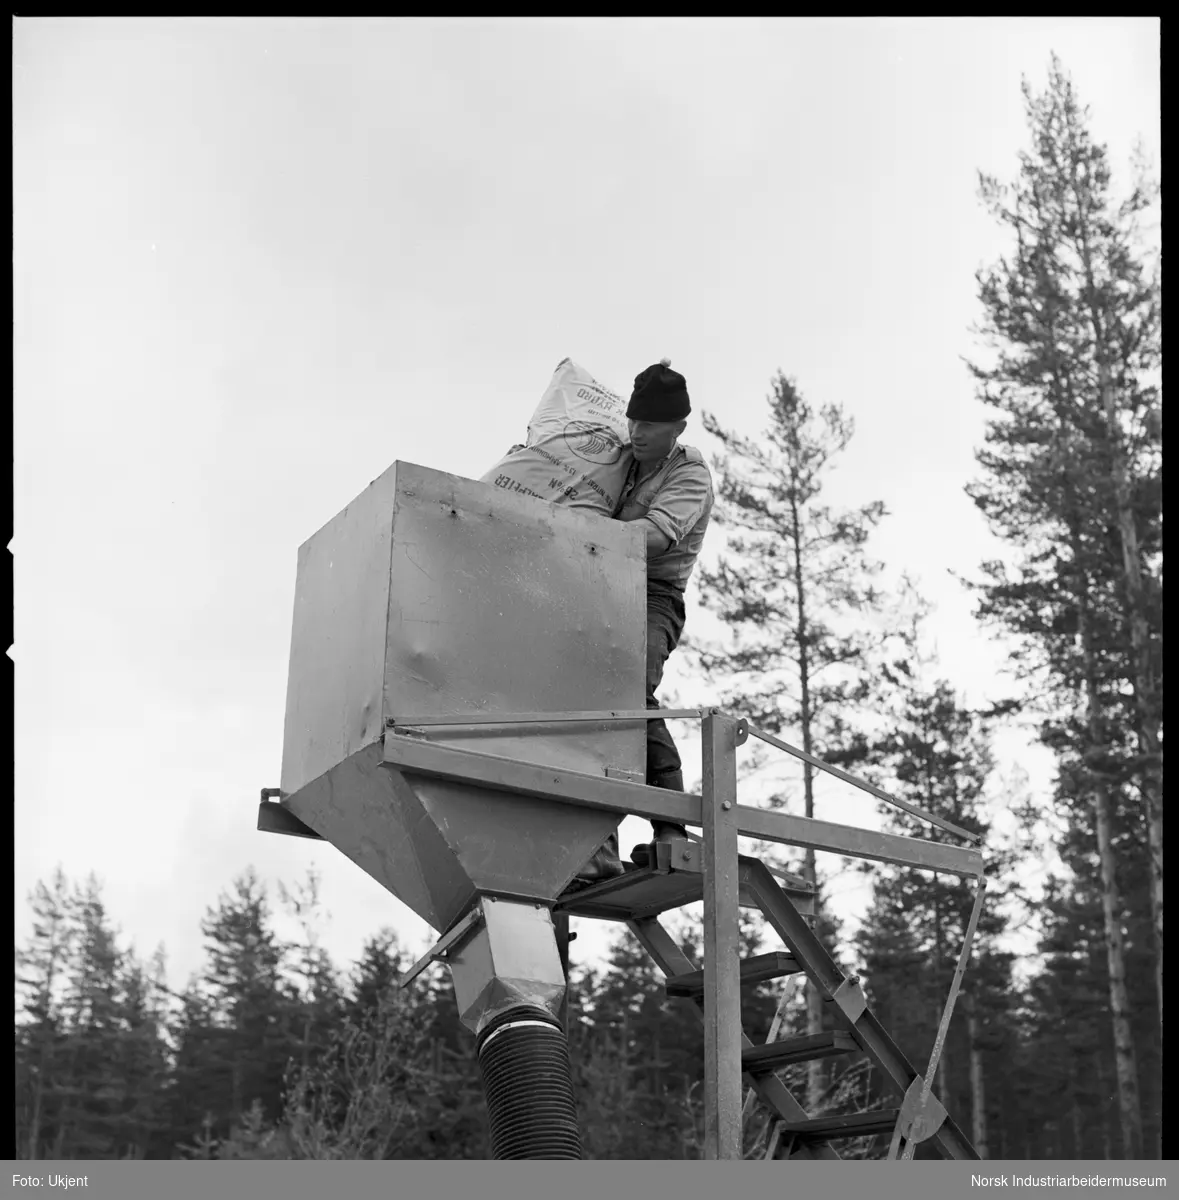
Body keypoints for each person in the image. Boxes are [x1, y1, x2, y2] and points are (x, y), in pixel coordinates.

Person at [575, 358, 714, 881]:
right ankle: (594, 845)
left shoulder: (689, 474)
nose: (637, 433)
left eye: (650, 426)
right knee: (574, 702)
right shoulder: (619, 457)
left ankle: (671, 824)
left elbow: (655, 536)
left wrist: (578, 530)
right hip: (594, 587)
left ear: (679, 427)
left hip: (652, 595)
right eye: (633, 422)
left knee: (628, 692)